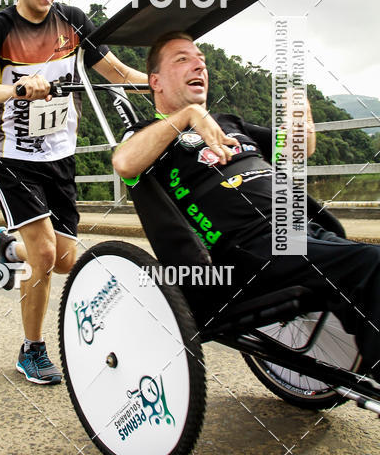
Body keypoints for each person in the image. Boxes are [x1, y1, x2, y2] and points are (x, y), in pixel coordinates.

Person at [112, 31, 380, 377]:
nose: (199, 64)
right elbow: (124, 163)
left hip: (299, 233)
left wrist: (301, 114)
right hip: (245, 252)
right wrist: (188, 116)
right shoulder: (147, 135)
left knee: (362, 271)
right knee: (372, 263)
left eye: (201, 60)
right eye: (182, 59)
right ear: (156, 82)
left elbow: (299, 150)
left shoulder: (231, 124)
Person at [0, 0, 148, 385]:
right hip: (14, 156)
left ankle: (10, 248)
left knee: (64, 260)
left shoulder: (73, 22)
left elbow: (116, 72)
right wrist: (15, 90)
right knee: (46, 256)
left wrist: (163, 85)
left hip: (60, 156)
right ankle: (32, 349)